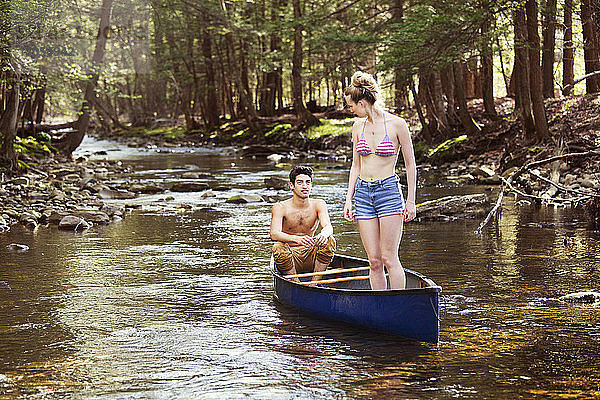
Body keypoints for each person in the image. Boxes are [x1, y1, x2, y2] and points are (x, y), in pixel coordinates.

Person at [343, 71, 417, 290]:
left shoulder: (397, 124)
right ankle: (380, 308)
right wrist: (349, 199)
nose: (351, 110)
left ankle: (398, 308)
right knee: (374, 261)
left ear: (363, 102)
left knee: (389, 258)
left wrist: (411, 200)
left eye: (351, 106)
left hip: (389, 192)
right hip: (363, 195)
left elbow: (411, 164)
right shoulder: (358, 127)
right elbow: (356, 165)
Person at [270, 166, 336, 282]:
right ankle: (295, 283)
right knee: (278, 247)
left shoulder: (319, 204)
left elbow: (328, 227)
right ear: (292, 186)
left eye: (308, 182)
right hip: (290, 256)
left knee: (330, 240)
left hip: (311, 254)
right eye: (300, 182)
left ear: (311, 185)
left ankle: (315, 283)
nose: (305, 186)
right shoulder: (280, 207)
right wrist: (297, 239)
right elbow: (274, 234)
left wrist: (323, 234)